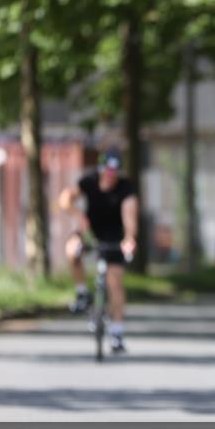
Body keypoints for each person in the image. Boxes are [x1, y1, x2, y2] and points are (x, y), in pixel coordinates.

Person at [59, 149, 138, 353]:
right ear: (101, 169)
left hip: (114, 237)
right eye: (106, 171)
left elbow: (129, 216)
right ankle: (82, 293)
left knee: (115, 281)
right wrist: (79, 216)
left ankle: (117, 333)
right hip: (90, 233)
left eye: (114, 172)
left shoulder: (126, 188)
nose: (110, 176)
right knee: (71, 249)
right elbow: (65, 199)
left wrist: (129, 238)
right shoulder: (89, 181)